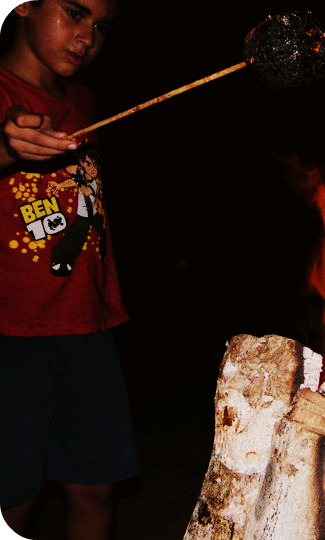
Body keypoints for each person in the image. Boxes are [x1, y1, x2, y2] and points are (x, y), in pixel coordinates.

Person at [0, 1, 139, 538]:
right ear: (23, 7)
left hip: (88, 322)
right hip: (13, 331)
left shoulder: (84, 100)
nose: (88, 37)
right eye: (75, 13)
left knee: (94, 485)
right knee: (16, 495)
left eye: (101, 26)